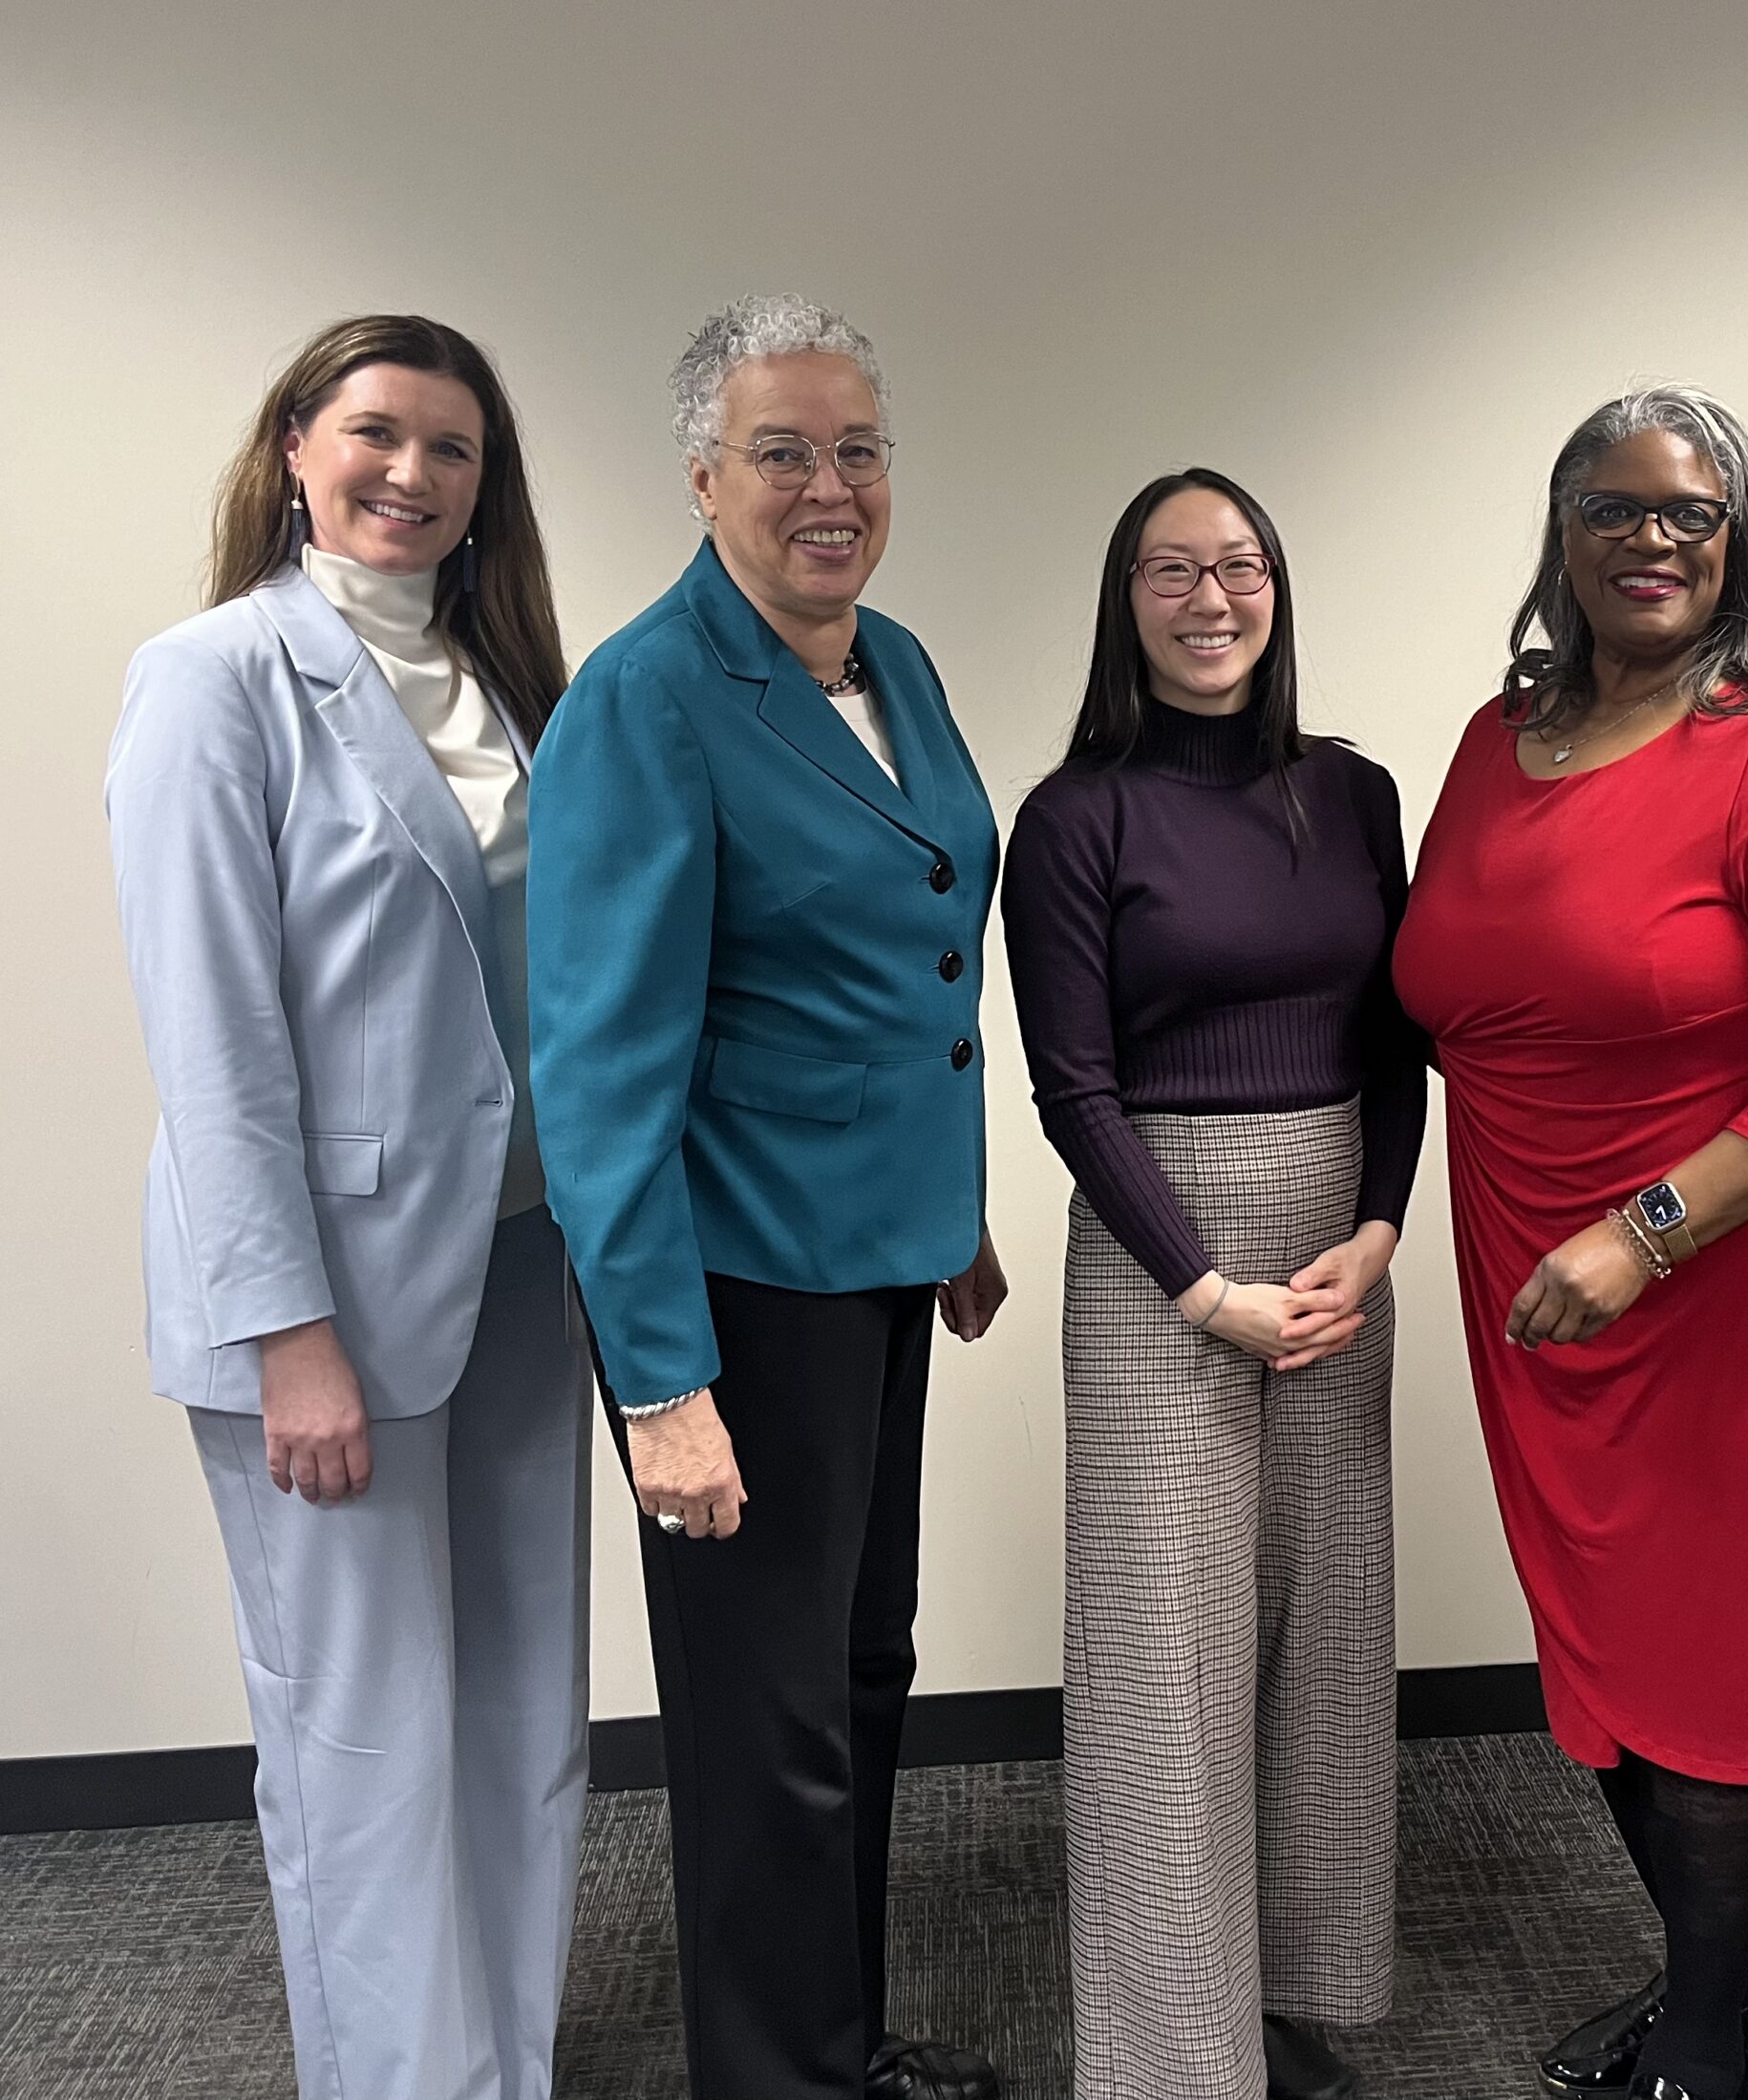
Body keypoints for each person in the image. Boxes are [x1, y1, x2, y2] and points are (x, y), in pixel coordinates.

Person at [1393, 385, 1748, 2100]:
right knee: (1606, 1641)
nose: (1651, 538)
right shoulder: (1501, 737)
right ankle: (1733, 1977)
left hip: (1728, 1271)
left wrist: (1644, 1232)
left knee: (1711, 1660)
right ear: (1562, 536)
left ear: (1739, 542)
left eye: (1689, 513)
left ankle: (1705, 2046)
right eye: (1614, 508)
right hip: (1535, 1269)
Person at [104, 314, 589, 2100]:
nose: (412, 473)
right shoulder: (212, 677)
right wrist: (287, 1335)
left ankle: (504, 2067)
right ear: (297, 445)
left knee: (524, 1715)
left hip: (522, 1268)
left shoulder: (509, 684)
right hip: (330, 1306)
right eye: (376, 432)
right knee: (366, 1745)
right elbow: (213, 1042)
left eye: (453, 448)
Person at [524, 295, 1005, 2100]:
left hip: (876, 1262)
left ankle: (835, 2043)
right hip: (734, 1289)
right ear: (703, 475)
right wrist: (658, 1382)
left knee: (860, 1674)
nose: (831, 488)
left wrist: (953, 1208)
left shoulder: (896, 663)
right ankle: (773, 2074)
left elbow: (910, 962)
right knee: (765, 1723)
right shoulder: (648, 695)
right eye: (783, 452)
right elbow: (599, 1070)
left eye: (858, 450)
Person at [1002, 470, 1428, 2100]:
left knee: (1325, 1636)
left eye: (1239, 566)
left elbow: (1398, 1042)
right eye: (1171, 570)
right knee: (1163, 1654)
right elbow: (1073, 1091)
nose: (1210, 599)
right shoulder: (1076, 817)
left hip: (1335, 1254)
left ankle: (1297, 1992)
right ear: (1126, 600)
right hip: (1157, 1261)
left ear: (1276, 589)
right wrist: (1201, 1287)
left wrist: (1379, 1229)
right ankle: (1175, 2053)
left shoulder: (1356, 792)